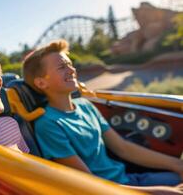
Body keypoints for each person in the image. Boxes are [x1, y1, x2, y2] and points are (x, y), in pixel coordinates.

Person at [22, 39, 183, 194]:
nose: (72, 70)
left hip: (129, 180)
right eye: (62, 67)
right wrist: (157, 192)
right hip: (108, 190)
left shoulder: (86, 106)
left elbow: (123, 148)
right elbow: (89, 184)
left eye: (70, 64)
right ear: (41, 83)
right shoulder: (48, 124)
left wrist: (177, 164)